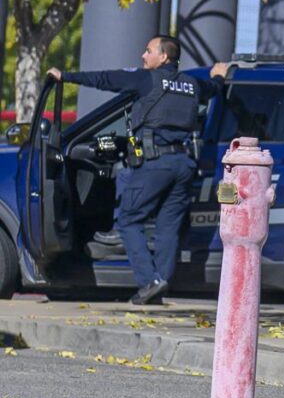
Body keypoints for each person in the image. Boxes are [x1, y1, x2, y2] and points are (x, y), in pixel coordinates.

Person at [49, 36, 228, 305]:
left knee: (129, 219)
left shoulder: (147, 80)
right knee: (168, 226)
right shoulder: (192, 84)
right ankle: (160, 284)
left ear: (164, 57)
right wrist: (219, 76)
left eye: (148, 51)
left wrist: (66, 76)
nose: (143, 56)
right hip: (184, 165)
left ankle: (149, 280)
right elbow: (212, 88)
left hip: (156, 164)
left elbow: (107, 79)